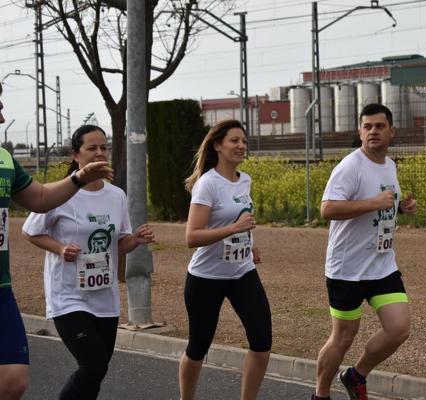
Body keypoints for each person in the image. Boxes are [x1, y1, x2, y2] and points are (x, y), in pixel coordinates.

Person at [21, 124, 155, 400]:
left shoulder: (115, 195)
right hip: (68, 296)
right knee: (92, 364)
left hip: (104, 297)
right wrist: (59, 248)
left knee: (98, 369)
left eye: (103, 147)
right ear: (76, 154)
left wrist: (138, 239)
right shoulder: (61, 193)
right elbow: (30, 231)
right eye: (91, 148)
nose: (99, 153)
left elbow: (118, 243)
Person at [0, 84, 113, 400]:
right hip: (63, 296)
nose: (2, 116)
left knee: (13, 380)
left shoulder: (4, 159)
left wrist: (79, 178)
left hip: (1, 288)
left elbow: (38, 198)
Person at [312, 103, 418, 400]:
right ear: (360, 131)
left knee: (399, 329)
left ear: (391, 131)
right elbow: (327, 209)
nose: (373, 131)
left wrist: (400, 207)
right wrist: (373, 203)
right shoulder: (349, 166)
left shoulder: (390, 165)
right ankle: (320, 395)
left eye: (379, 126)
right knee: (343, 337)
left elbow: (384, 202)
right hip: (347, 269)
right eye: (367, 126)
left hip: (382, 265)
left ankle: (356, 375)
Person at [179, 119, 272, 400]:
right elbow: (192, 237)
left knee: (262, 341)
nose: (241, 146)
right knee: (198, 346)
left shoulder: (245, 180)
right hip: (207, 277)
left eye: (243, 141)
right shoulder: (208, 184)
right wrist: (234, 230)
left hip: (242, 272)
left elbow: (242, 218)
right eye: (234, 140)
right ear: (217, 145)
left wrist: (249, 244)